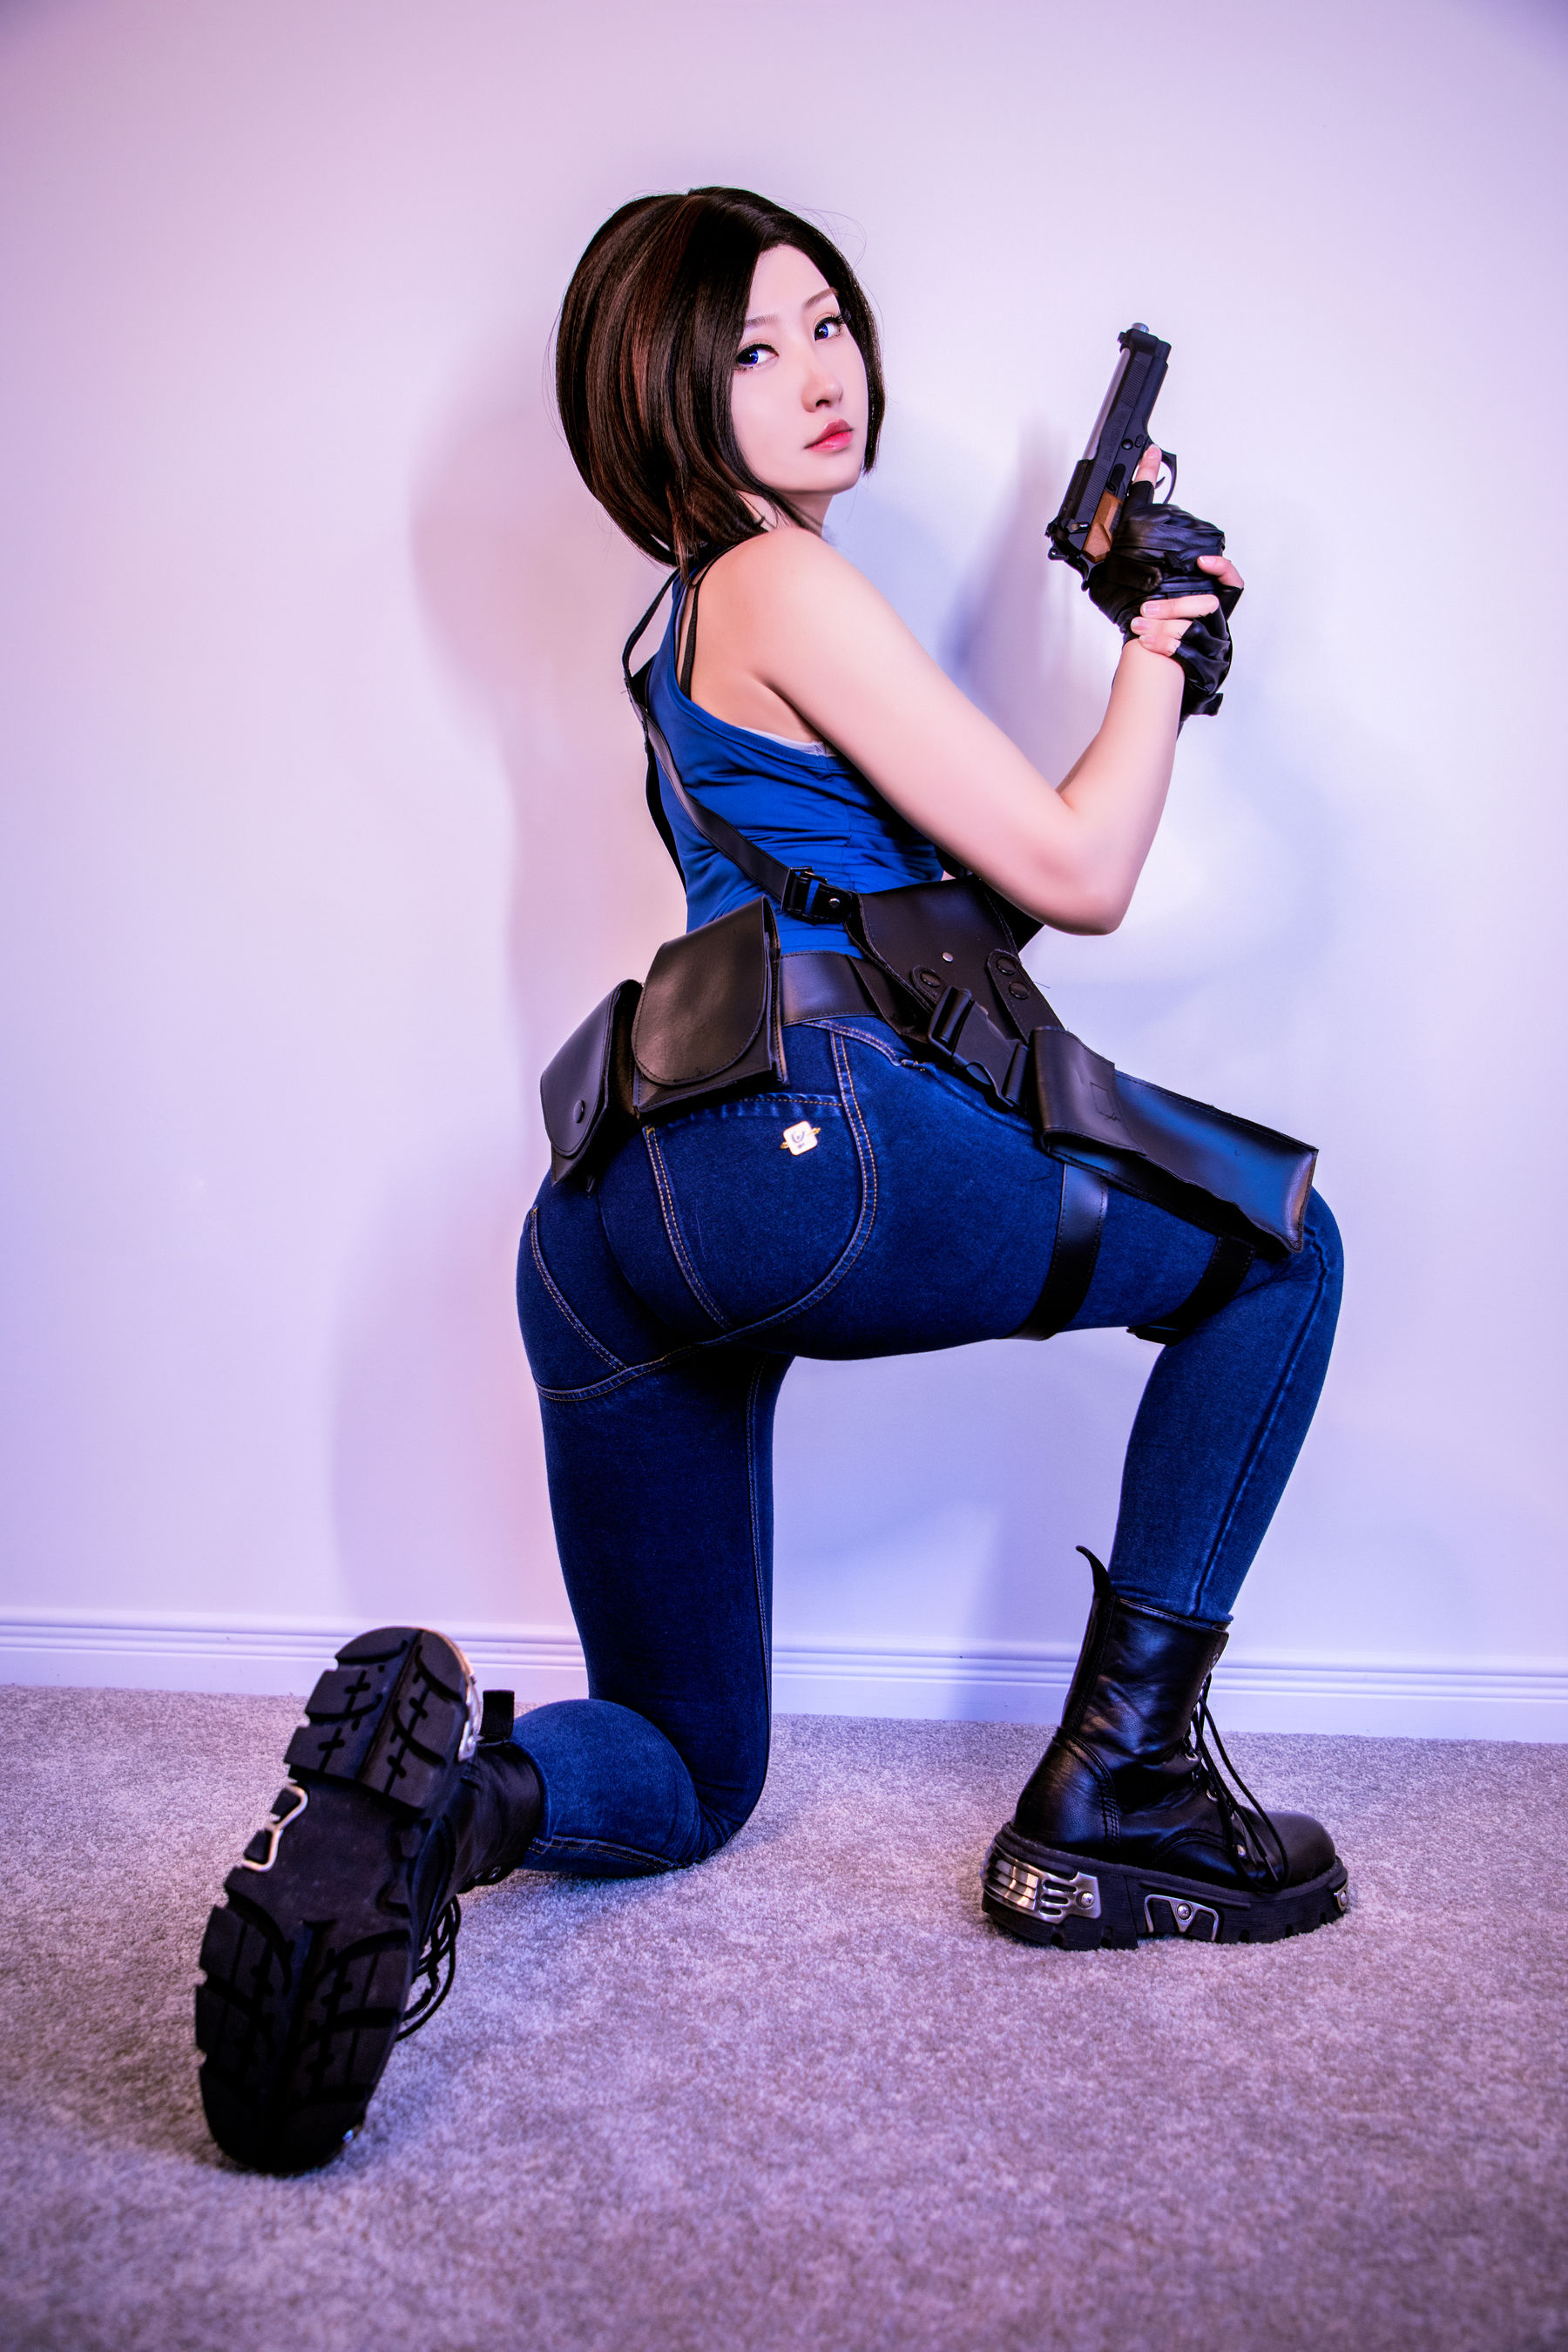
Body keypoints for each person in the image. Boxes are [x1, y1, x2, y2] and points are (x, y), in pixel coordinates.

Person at [194, 188, 1347, 2176]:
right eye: (750, 345)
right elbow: (1081, 873)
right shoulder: (782, 584)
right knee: (1288, 1256)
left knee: (686, 1768)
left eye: (826, 322)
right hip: (811, 1158)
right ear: (664, 389)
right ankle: (1127, 1789)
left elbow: (944, 926)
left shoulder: (670, 641)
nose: (820, 371)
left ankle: (430, 1815)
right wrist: (1164, 653)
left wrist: (1140, 639)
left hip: (610, 1221)